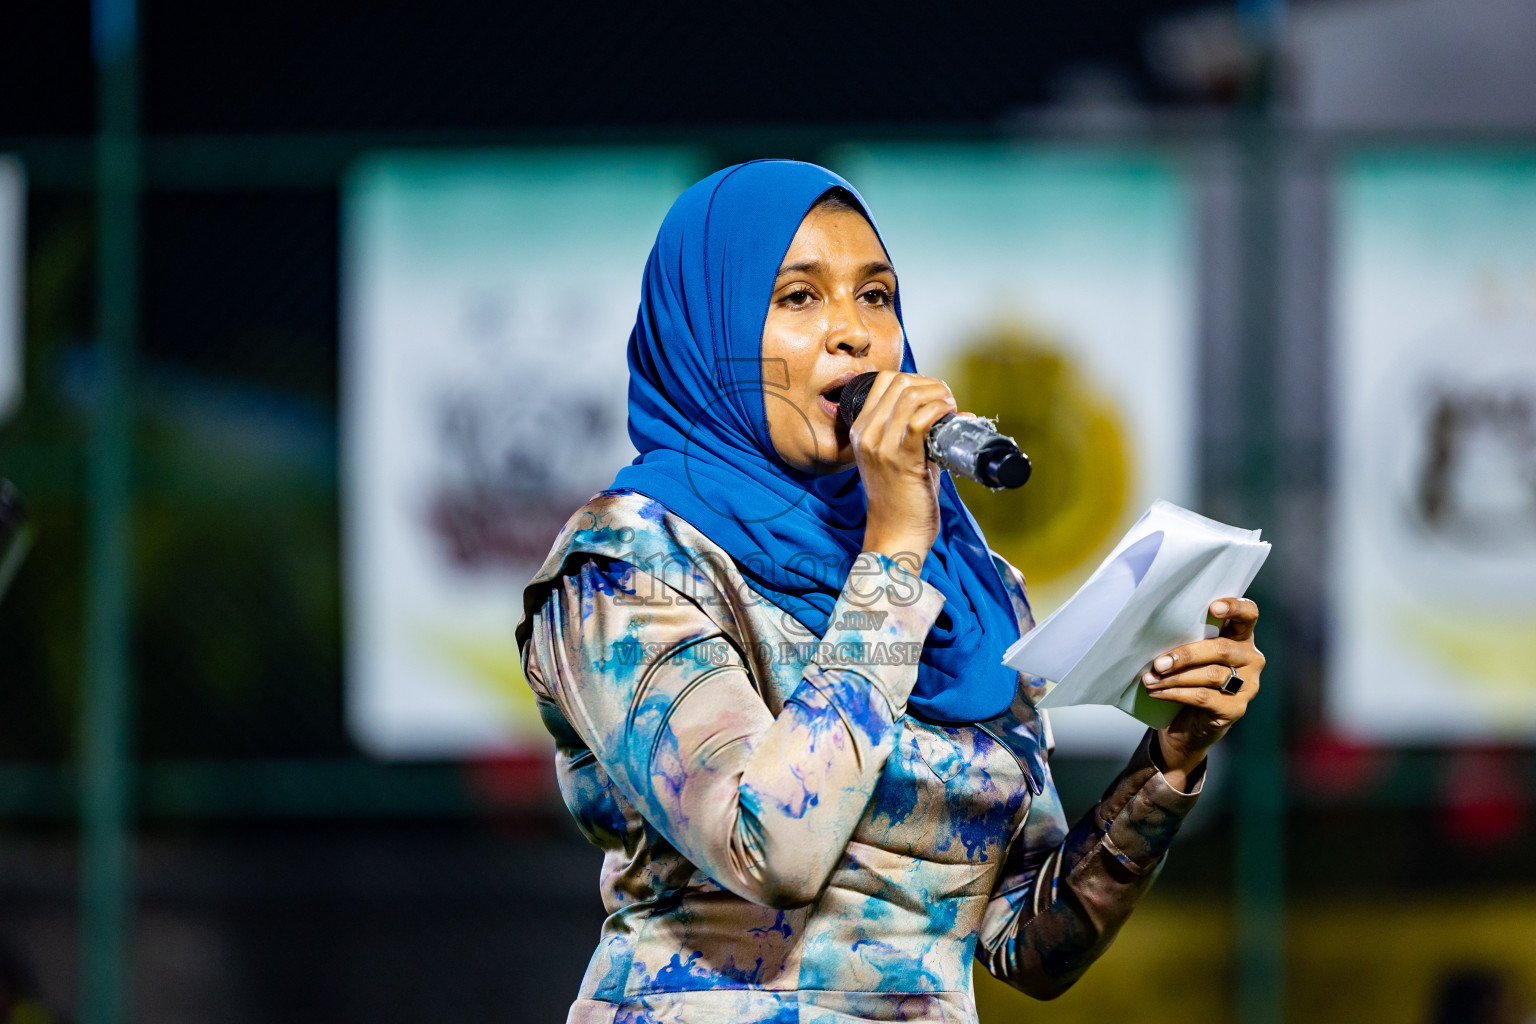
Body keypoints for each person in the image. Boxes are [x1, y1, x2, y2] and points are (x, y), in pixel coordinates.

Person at [516, 160, 1265, 1024]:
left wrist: (1169, 765)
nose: (855, 334)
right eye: (799, 297)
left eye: (876, 296)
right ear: (707, 328)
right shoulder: (627, 567)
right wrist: (894, 553)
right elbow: (770, 850)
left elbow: (1028, 943)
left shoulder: (961, 582)